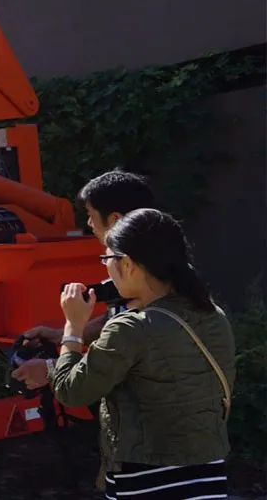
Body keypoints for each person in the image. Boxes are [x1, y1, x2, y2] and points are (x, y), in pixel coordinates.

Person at [51, 208, 235, 498]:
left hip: (146, 479)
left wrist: (72, 328)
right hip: (209, 475)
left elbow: (70, 391)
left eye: (108, 259)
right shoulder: (214, 315)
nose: (106, 268)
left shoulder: (131, 329)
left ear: (129, 265)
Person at [12, 169, 156, 390]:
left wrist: (54, 363)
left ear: (115, 220)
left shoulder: (146, 279)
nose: (89, 223)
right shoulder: (158, 263)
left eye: (91, 215)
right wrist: (60, 335)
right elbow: (116, 317)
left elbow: (84, 383)